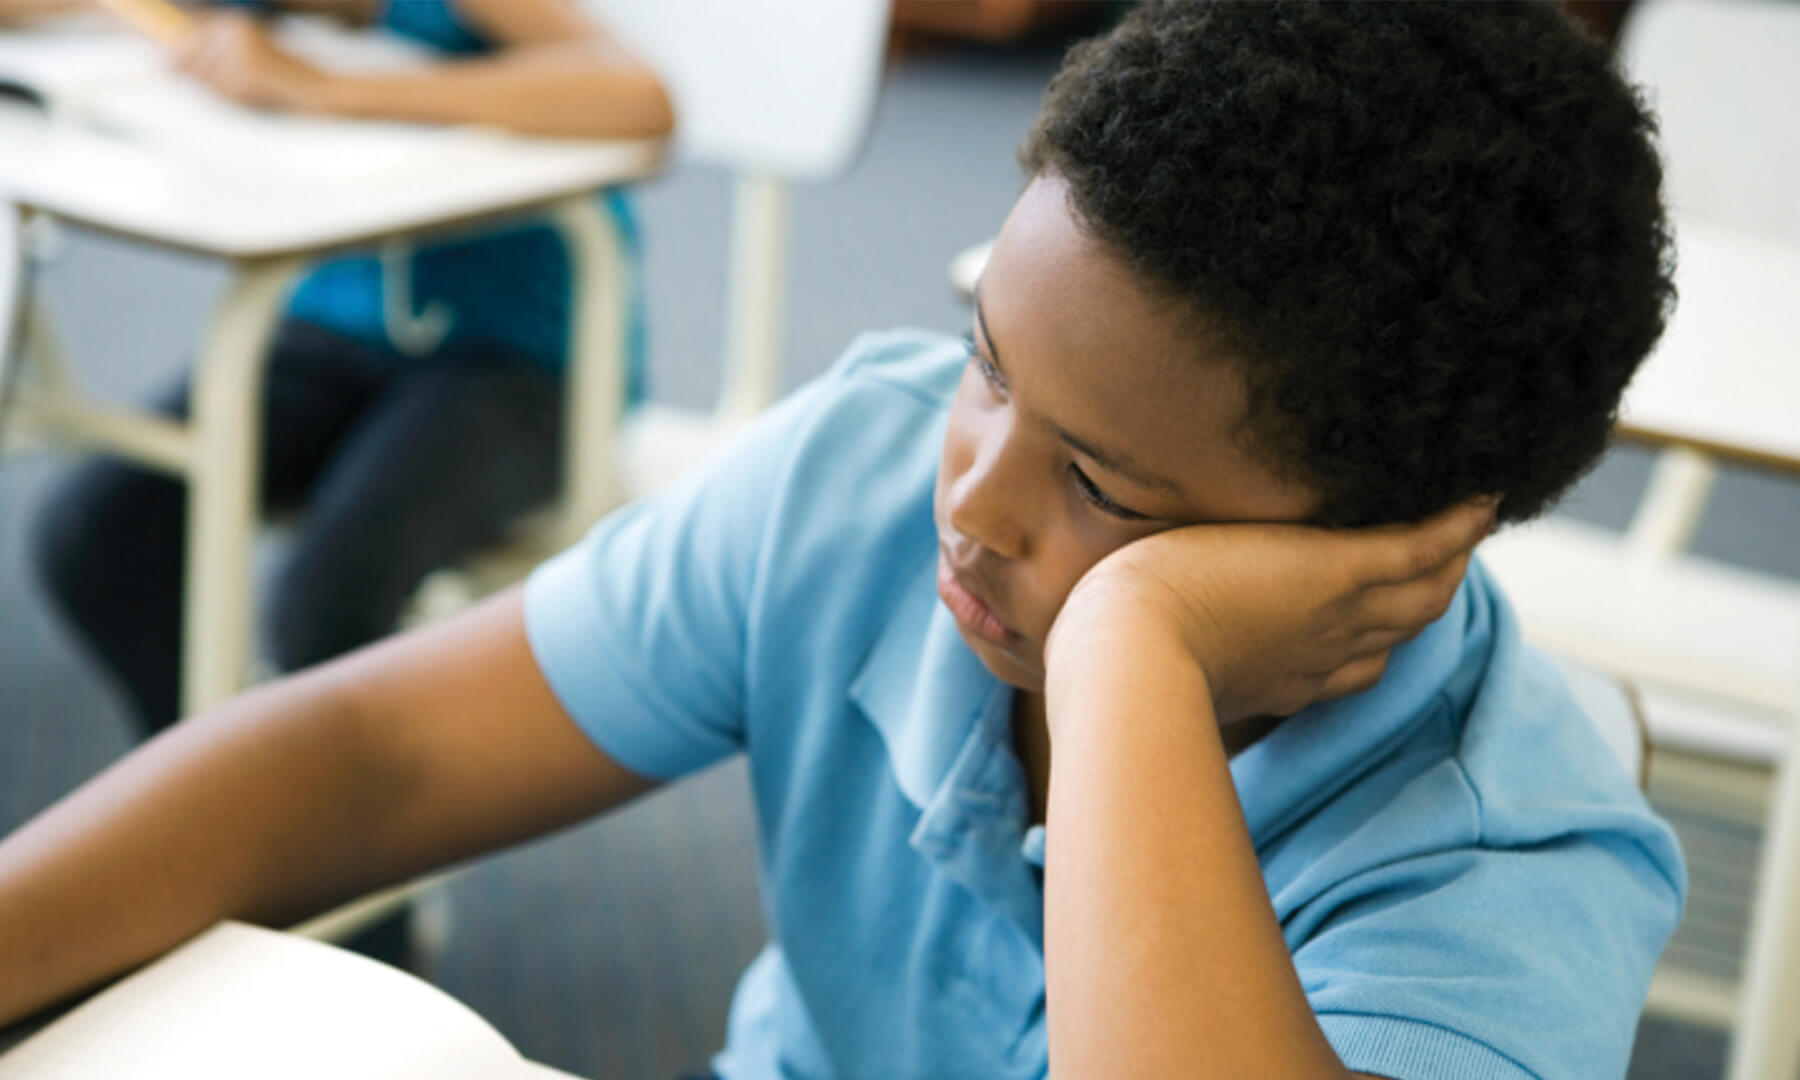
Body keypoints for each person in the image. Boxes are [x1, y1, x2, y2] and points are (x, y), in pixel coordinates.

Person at [0, 4, 1682, 1078]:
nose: (975, 494)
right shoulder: (863, 475)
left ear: (1402, 545)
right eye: (988, 364)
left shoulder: (1502, 868)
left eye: (1111, 489)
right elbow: (374, 751)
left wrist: (1128, 664)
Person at [24, 0, 670, 739]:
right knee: (95, 541)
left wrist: (325, 88)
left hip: (522, 362)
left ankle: (323, 830)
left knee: (325, 605)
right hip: (334, 326)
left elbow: (640, 95)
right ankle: (224, 788)